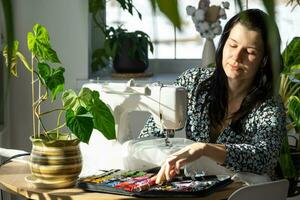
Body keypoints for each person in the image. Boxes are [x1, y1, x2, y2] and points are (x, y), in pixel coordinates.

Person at [139, 9, 286, 184]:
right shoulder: (192, 82)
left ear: (264, 60)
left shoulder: (269, 106)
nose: (237, 57)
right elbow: (148, 137)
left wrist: (204, 149)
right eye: (232, 45)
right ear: (223, 44)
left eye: (250, 52)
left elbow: (264, 158)